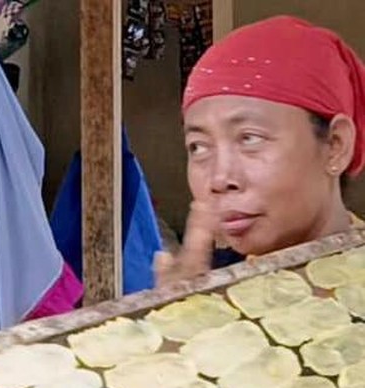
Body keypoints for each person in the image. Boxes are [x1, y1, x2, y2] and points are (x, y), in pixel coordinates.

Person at [155, 15, 365, 285]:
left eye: (250, 139)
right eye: (198, 147)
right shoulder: (209, 293)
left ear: (336, 145)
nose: (219, 179)